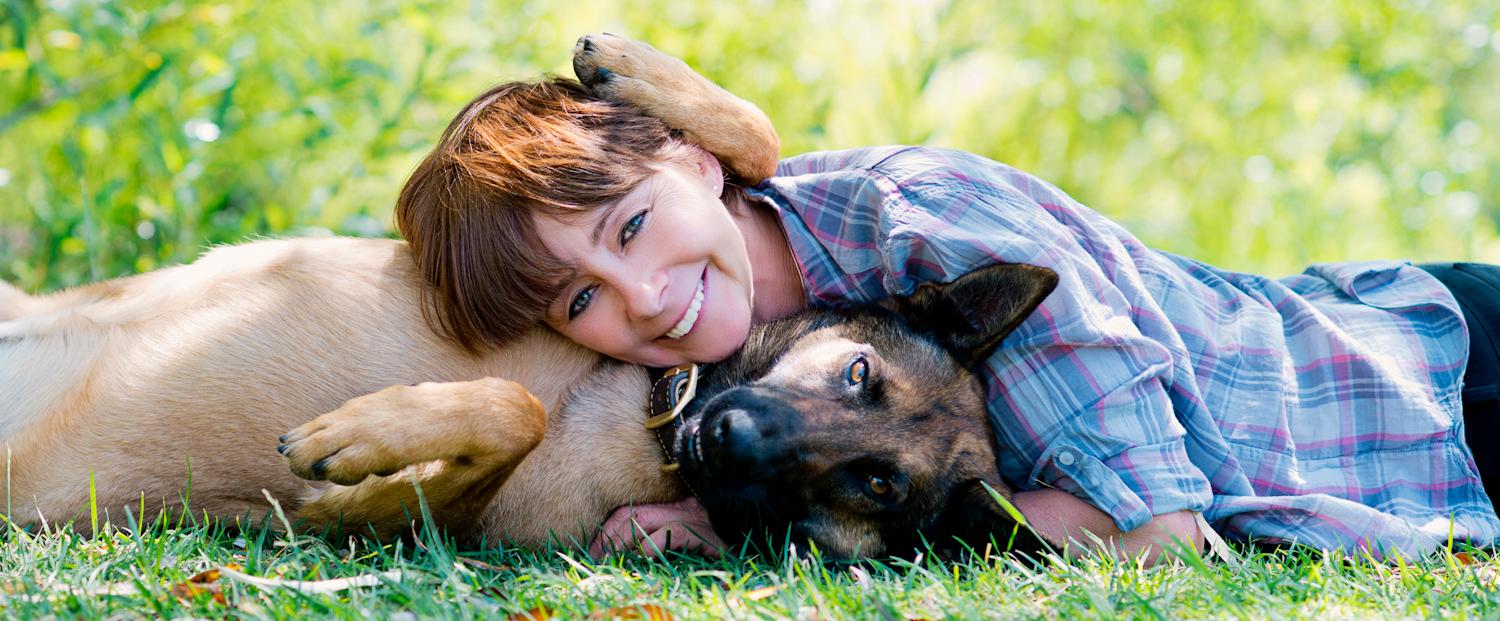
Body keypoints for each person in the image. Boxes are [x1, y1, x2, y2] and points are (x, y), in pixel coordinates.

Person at [393, 77, 1500, 562]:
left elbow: (1158, 535)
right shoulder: (701, 359)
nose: (641, 298)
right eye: (582, 298)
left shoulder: (931, 223)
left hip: (1427, 374)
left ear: (693, 158)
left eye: (633, 229)